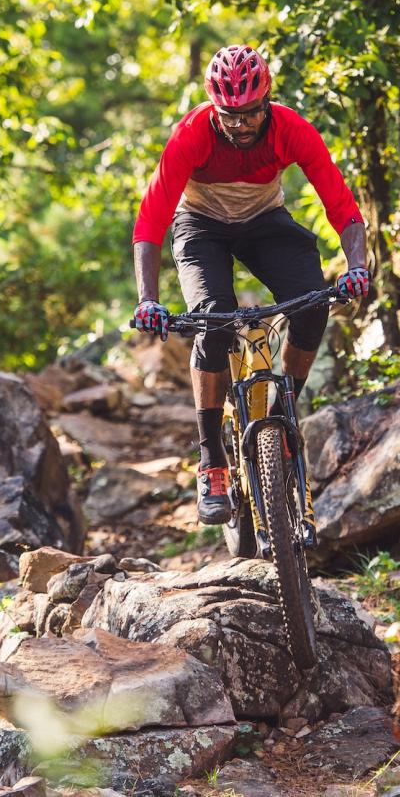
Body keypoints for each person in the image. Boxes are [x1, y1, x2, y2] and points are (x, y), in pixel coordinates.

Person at [130, 44, 370, 525]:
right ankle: (212, 460)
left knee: (311, 304)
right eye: (228, 116)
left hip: (264, 219)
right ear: (214, 109)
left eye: (249, 114)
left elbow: (341, 206)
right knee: (213, 322)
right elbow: (150, 224)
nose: (239, 124)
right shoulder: (191, 135)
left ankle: (283, 414)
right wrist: (148, 299)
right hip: (200, 226)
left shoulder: (291, 129)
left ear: (267, 104)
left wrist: (357, 267)